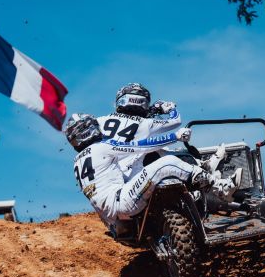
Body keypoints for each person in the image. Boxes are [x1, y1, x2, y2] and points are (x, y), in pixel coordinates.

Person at [65, 114, 242, 226]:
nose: (97, 128)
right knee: (167, 163)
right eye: (92, 125)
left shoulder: (77, 161)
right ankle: (220, 187)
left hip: (109, 217)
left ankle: (198, 184)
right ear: (85, 131)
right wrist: (175, 136)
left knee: (142, 167)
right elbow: (141, 146)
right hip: (122, 202)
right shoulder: (100, 148)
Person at [97, 83, 182, 179]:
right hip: (129, 175)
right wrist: (171, 108)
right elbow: (176, 120)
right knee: (163, 152)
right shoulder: (146, 123)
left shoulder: (100, 120)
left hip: (101, 173)